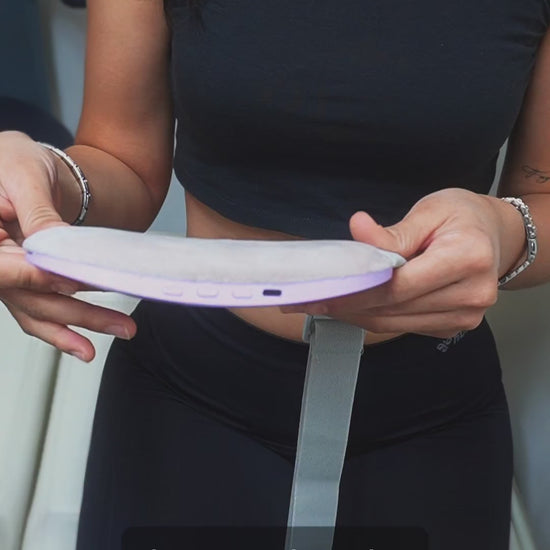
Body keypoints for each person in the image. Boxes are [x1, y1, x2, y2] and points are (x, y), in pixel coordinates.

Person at [1, 0, 550, 548]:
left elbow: (540, 198)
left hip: (430, 421)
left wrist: (506, 233)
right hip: (188, 401)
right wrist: (47, 183)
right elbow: (121, 161)